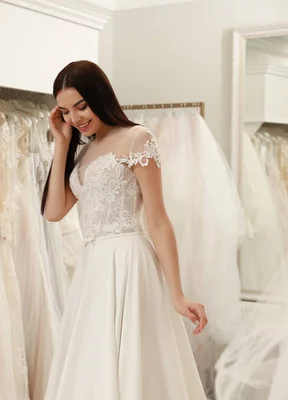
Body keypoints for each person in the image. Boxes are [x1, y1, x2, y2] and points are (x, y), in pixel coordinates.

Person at [42, 60, 209, 399]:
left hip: (130, 262)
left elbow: (158, 219)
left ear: (100, 96)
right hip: (93, 268)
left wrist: (177, 293)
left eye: (81, 106)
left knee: (135, 365)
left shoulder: (137, 138)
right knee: (93, 363)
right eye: (65, 111)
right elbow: (53, 211)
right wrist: (62, 144)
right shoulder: (83, 152)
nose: (75, 118)